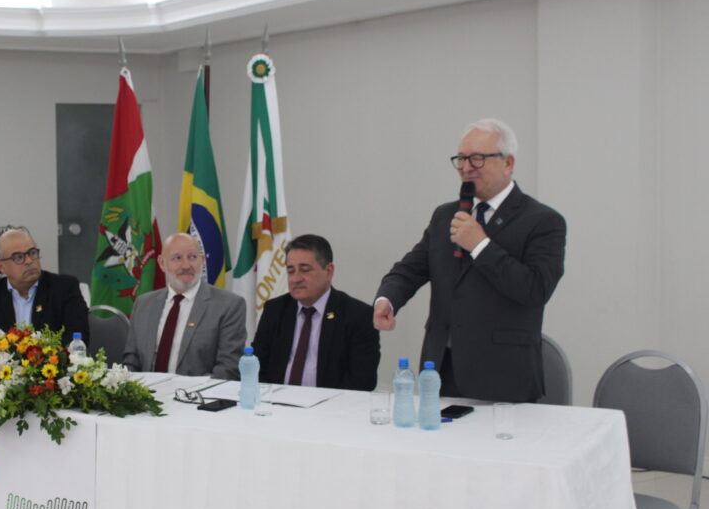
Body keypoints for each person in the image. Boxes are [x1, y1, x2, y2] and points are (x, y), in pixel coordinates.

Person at [373, 119, 566, 402]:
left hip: (503, 375)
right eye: (461, 159)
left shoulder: (543, 221)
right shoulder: (445, 215)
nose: (466, 168)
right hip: (441, 369)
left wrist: (481, 245)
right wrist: (387, 299)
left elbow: (535, 290)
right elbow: (411, 269)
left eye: (477, 158)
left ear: (508, 163)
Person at [252, 234, 379, 391]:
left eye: (305, 270)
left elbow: (362, 381)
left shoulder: (358, 316)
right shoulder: (275, 310)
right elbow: (255, 367)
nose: (295, 279)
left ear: (329, 271)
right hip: (274, 401)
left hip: (332, 404)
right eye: (291, 271)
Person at [123, 233, 246, 380]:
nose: (186, 266)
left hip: (198, 393)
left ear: (202, 260)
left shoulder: (229, 305)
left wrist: (187, 392)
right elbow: (131, 362)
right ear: (162, 263)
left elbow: (229, 369)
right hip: (146, 392)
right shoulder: (143, 304)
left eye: (193, 257)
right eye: (177, 258)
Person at [0, 228, 88, 343]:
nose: (29, 261)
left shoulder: (64, 288)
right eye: (18, 257)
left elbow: (77, 339)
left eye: (32, 253)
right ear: (1, 266)